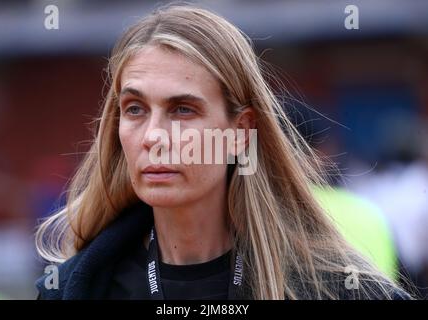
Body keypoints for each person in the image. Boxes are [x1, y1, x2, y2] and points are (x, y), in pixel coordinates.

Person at [35, 3, 411, 300]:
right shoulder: (73, 288)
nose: (153, 137)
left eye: (183, 110)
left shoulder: (336, 287)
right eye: (135, 109)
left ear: (240, 131)